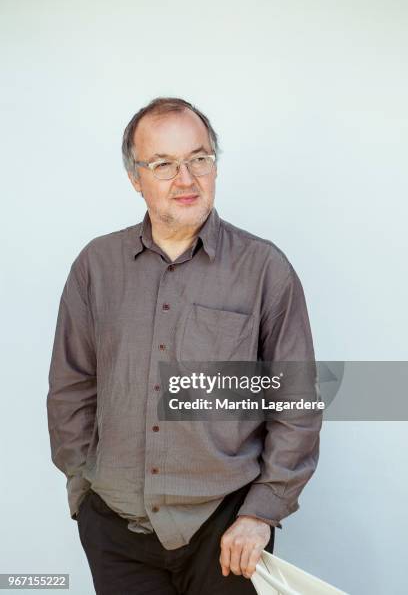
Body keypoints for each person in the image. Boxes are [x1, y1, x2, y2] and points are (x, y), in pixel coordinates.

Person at [47, 97, 322, 594]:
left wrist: (261, 513)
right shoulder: (96, 266)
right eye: (164, 165)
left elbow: (297, 403)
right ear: (136, 177)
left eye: (199, 158)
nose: (187, 179)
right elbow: (72, 386)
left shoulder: (264, 270)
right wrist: (83, 490)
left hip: (226, 531)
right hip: (116, 527)